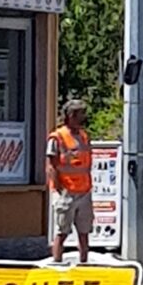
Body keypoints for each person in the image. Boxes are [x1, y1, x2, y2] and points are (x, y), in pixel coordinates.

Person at [47, 94, 95, 266]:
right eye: (80, 114)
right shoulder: (57, 137)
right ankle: (57, 262)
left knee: (84, 231)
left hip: (83, 190)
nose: (83, 117)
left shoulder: (83, 135)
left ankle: (84, 263)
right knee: (62, 231)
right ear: (70, 116)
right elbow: (52, 164)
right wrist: (58, 189)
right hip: (65, 191)